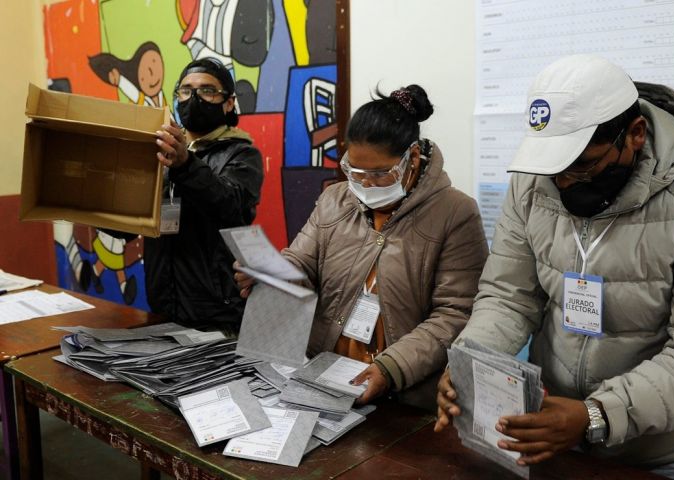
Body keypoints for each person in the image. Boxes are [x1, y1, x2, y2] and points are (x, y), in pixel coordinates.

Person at [435, 54, 674, 479]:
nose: (565, 182)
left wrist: (595, 415)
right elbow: (508, 296)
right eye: (555, 168)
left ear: (636, 135)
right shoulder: (535, 183)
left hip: (664, 454)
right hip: (553, 431)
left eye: (583, 165)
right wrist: (471, 361)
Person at [237, 85, 488, 410]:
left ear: (412, 157)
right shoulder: (335, 200)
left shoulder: (455, 213)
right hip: (326, 379)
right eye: (355, 172)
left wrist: (391, 368)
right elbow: (302, 263)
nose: (365, 184)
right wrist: (273, 274)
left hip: (405, 396)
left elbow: (456, 314)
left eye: (381, 174)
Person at [147, 57, 263, 331]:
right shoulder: (162, 153)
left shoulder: (242, 154)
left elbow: (230, 206)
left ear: (229, 103)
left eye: (207, 90)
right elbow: (131, 226)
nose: (194, 98)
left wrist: (185, 164)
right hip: (163, 305)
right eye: (186, 91)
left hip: (218, 314)